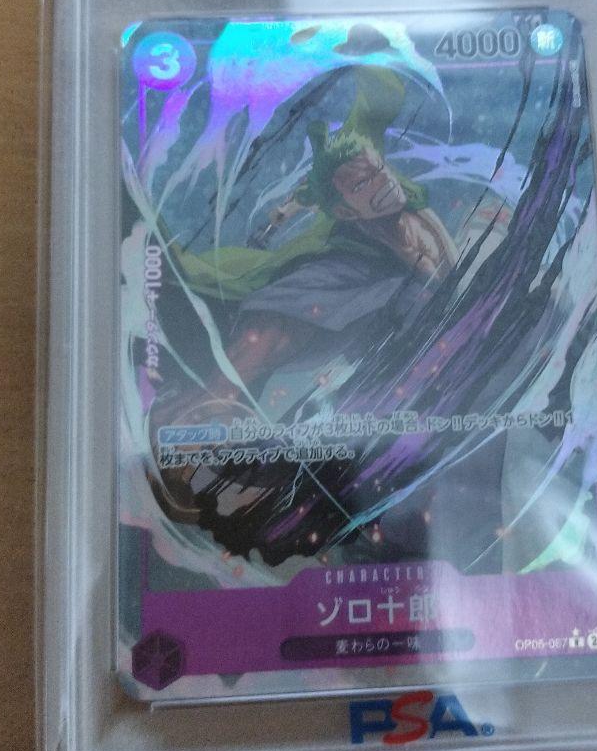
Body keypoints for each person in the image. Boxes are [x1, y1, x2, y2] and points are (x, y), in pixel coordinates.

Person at [150, 66, 459, 522]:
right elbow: (280, 316)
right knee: (276, 327)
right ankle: (194, 423)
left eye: (377, 173)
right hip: (340, 300)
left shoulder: (410, 211)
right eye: (362, 185)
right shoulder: (342, 253)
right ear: (343, 210)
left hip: (399, 360)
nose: (381, 185)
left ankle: (201, 422)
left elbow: (376, 113)